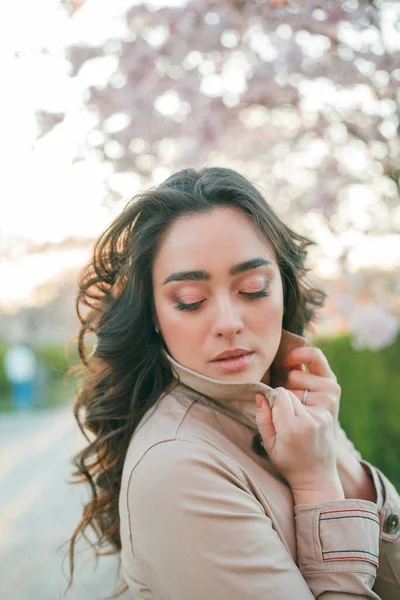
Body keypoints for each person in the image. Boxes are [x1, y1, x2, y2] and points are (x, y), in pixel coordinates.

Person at [68, 167, 400, 599]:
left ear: (283, 287)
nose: (227, 323)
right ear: (152, 315)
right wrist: (318, 486)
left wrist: (340, 461)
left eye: (253, 288)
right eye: (191, 301)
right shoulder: (176, 467)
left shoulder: (296, 406)